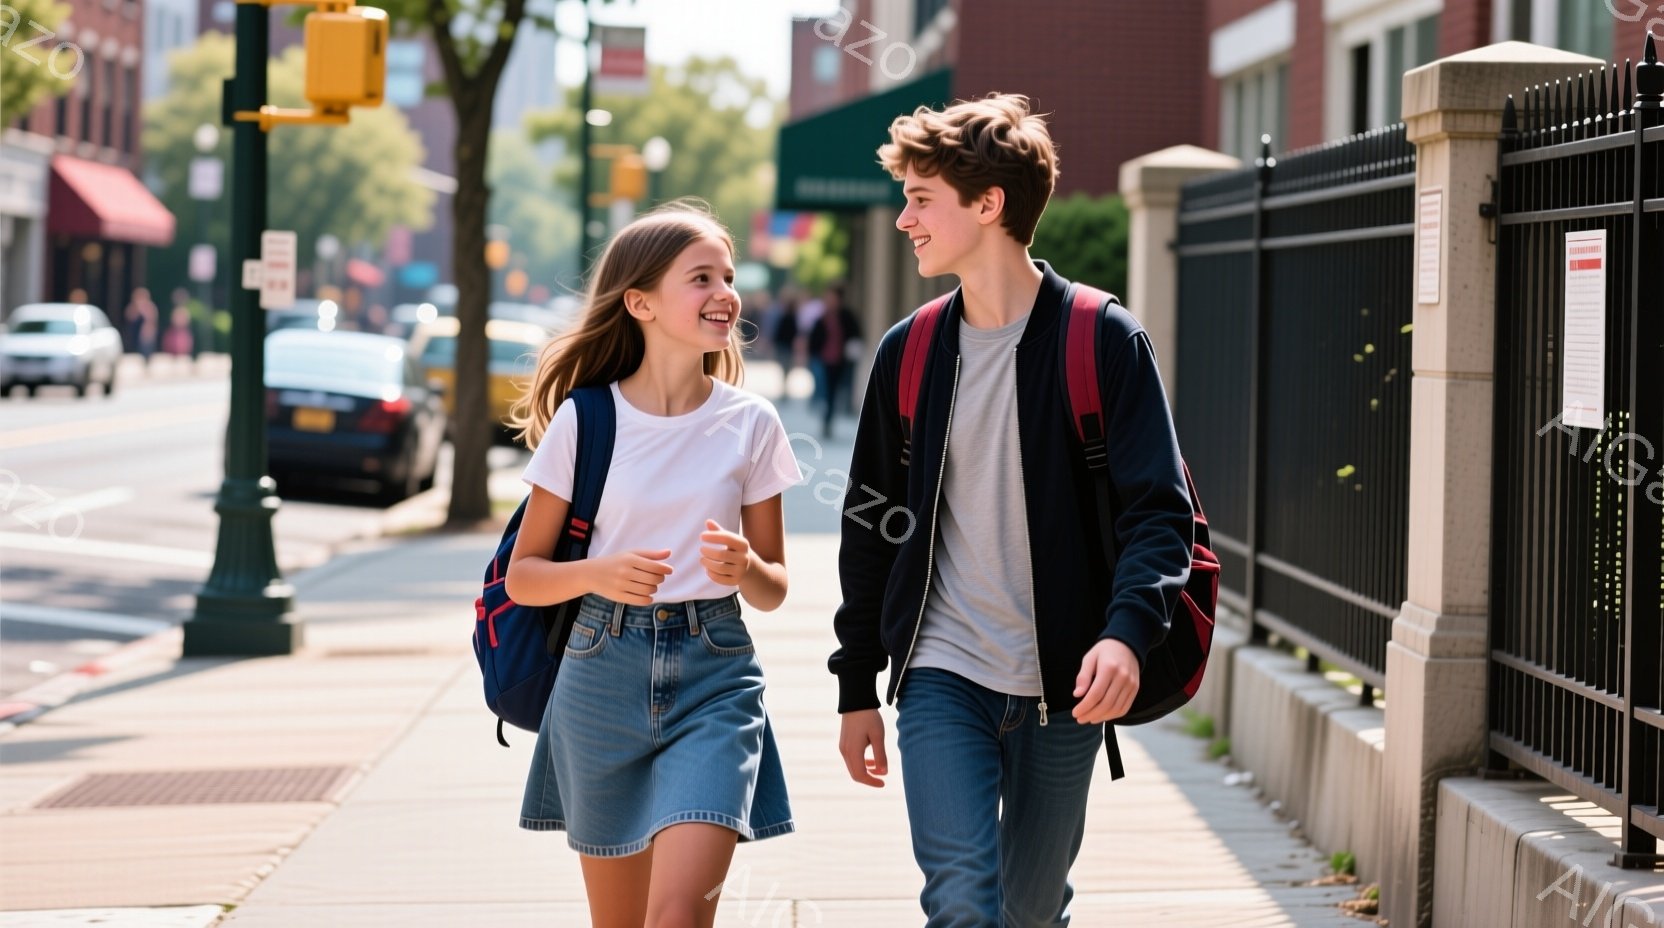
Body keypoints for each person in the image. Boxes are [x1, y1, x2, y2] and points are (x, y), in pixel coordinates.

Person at [828, 94, 1195, 926]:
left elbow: (1157, 512)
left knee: (1029, 910)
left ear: (988, 204)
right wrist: (857, 684)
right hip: (941, 673)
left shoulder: (1102, 339)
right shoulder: (909, 352)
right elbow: (871, 524)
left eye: (921, 200)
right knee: (962, 900)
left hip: (1066, 685)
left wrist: (1126, 633)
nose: (904, 220)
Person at [505, 202, 802, 928]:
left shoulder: (752, 423)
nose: (725, 293)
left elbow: (774, 588)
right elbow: (524, 575)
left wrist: (745, 567)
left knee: (679, 917)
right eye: (701, 278)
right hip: (599, 672)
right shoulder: (585, 419)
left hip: (715, 673)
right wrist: (596, 574)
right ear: (639, 303)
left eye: (727, 277)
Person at [806, 283, 863, 438]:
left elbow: (856, 335)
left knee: (834, 391)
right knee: (824, 390)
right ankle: (826, 417)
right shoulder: (823, 317)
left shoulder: (847, 316)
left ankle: (828, 419)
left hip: (840, 361)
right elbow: (814, 338)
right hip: (823, 360)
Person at [123, 288, 158, 364]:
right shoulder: (133, 307)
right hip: (134, 334)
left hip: (145, 336)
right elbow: (129, 317)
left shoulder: (150, 307)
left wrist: (143, 310)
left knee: (146, 352)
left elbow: (151, 320)